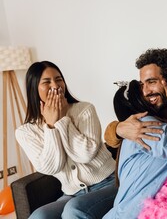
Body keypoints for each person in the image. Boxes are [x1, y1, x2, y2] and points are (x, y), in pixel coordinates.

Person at [15, 61, 117, 219]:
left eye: (59, 79)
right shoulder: (25, 131)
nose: (55, 85)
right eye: (47, 82)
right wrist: (50, 126)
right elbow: (50, 168)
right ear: (33, 87)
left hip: (109, 182)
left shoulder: (84, 109)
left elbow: (85, 155)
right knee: (39, 216)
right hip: (72, 193)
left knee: (74, 210)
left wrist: (61, 120)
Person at [103, 70, 167, 218]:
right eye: (142, 88)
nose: (148, 91)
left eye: (150, 83)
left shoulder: (151, 123)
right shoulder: (146, 125)